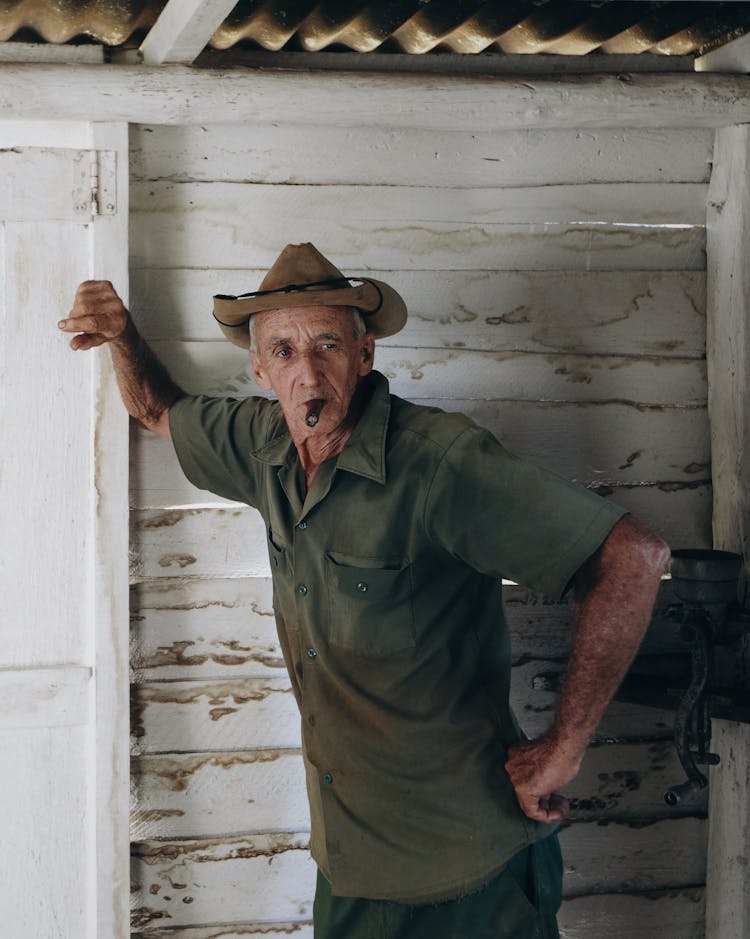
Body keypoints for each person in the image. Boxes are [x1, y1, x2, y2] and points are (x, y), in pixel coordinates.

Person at [60, 243, 669, 939]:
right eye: (284, 351)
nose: (308, 369)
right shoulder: (260, 447)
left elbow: (633, 557)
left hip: (471, 874)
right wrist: (121, 335)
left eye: (327, 343)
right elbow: (156, 409)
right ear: (259, 369)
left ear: (364, 354)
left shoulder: (439, 463)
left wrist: (564, 749)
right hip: (350, 876)